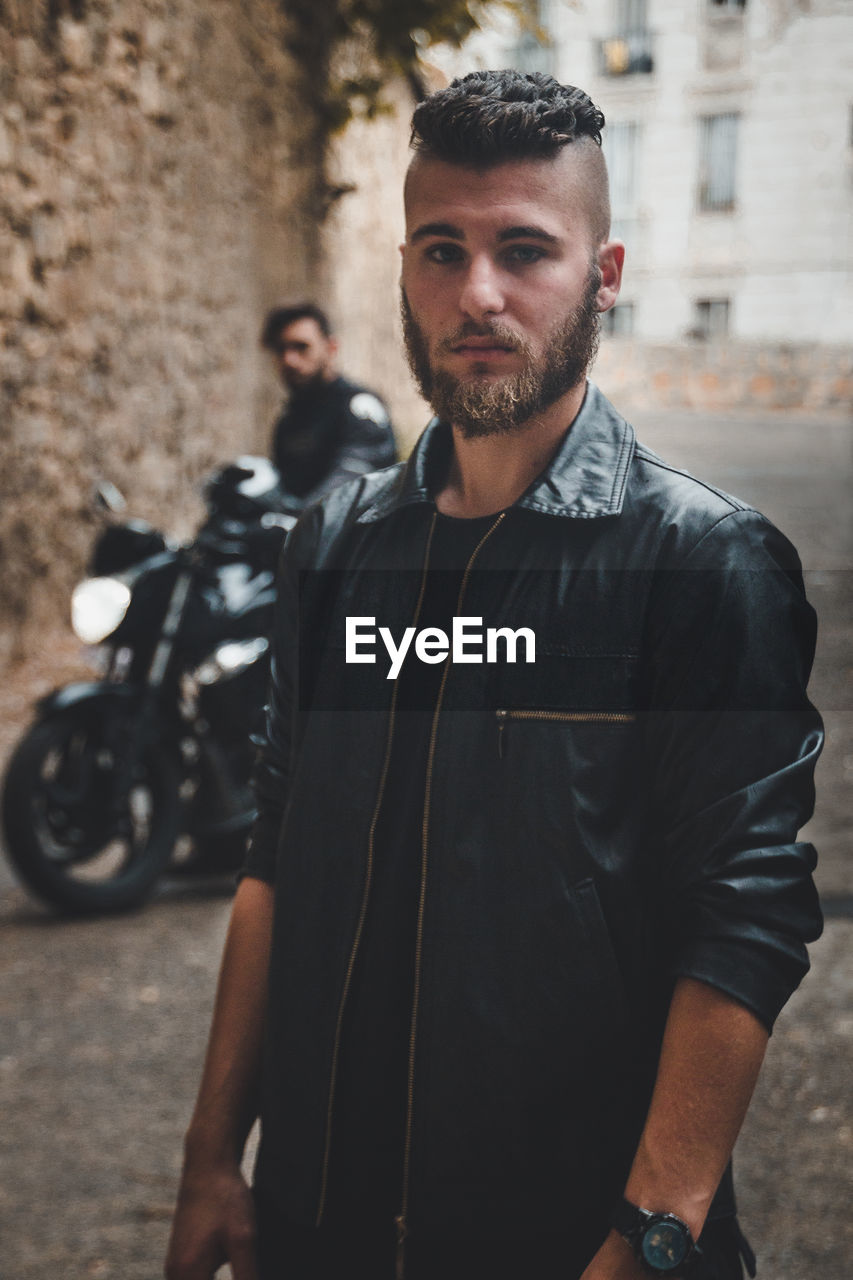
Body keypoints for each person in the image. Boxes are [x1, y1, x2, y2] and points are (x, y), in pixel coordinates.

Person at [166, 71, 823, 1280]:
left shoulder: (698, 564)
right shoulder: (334, 543)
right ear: (404, 267)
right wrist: (214, 1158)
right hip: (323, 1228)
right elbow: (275, 854)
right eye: (441, 248)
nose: (478, 293)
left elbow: (745, 918)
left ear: (603, 276)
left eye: (525, 249)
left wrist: (653, 1232)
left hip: (566, 1239)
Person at [261, 301, 397, 508]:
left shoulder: (360, 407)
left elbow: (353, 481)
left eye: (301, 347)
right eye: (281, 350)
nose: (289, 359)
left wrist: (296, 522)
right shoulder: (289, 419)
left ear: (331, 347)